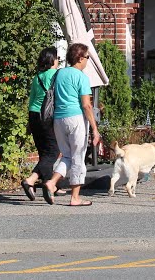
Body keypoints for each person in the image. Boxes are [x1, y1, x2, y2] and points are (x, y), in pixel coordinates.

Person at [41, 42, 101, 207]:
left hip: (59, 120)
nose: (87, 61)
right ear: (80, 58)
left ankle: (51, 183)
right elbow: (86, 105)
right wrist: (95, 129)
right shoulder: (81, 77)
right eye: (87, 58)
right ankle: (75, 197)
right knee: (78, 157)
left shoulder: (59, 74)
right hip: (75, 119)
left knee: (67, 156)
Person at [21, 47, 60, 201]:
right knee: (53, 152)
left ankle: (49, 187)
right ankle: (30, 180)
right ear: (52, 60)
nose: (58, 61)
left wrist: (29, 123)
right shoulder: (56, 75)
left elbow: (32, 99)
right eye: (57, 58)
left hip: (34, 115)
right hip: (47, 116)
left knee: (44, 152)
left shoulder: (37, 77)